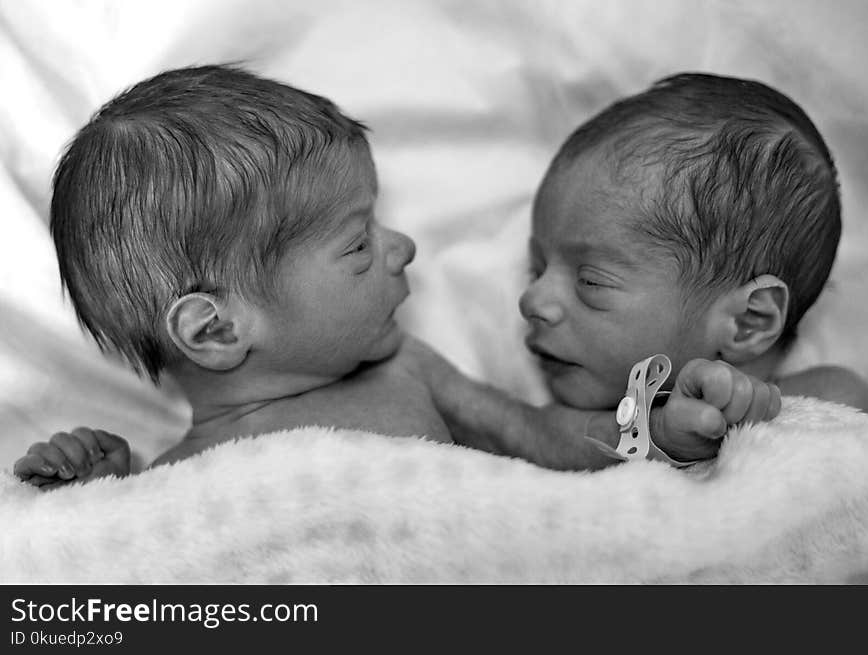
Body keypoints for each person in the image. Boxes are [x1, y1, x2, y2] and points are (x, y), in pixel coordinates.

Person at [13, 66, 786, 489]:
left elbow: (541, 439)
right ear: (216, 329)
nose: (403, 246)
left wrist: (653, 434)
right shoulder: (177, 479)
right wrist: (103, 490)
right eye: (357, 244)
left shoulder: (407, 371)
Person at [418, 72, 868, 469]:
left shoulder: (830, 400)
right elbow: (531, 433)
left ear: (747, 322)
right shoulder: (562, 415)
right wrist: (655, 433)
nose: (532, 301)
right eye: (535, 268)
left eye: (591, 282)